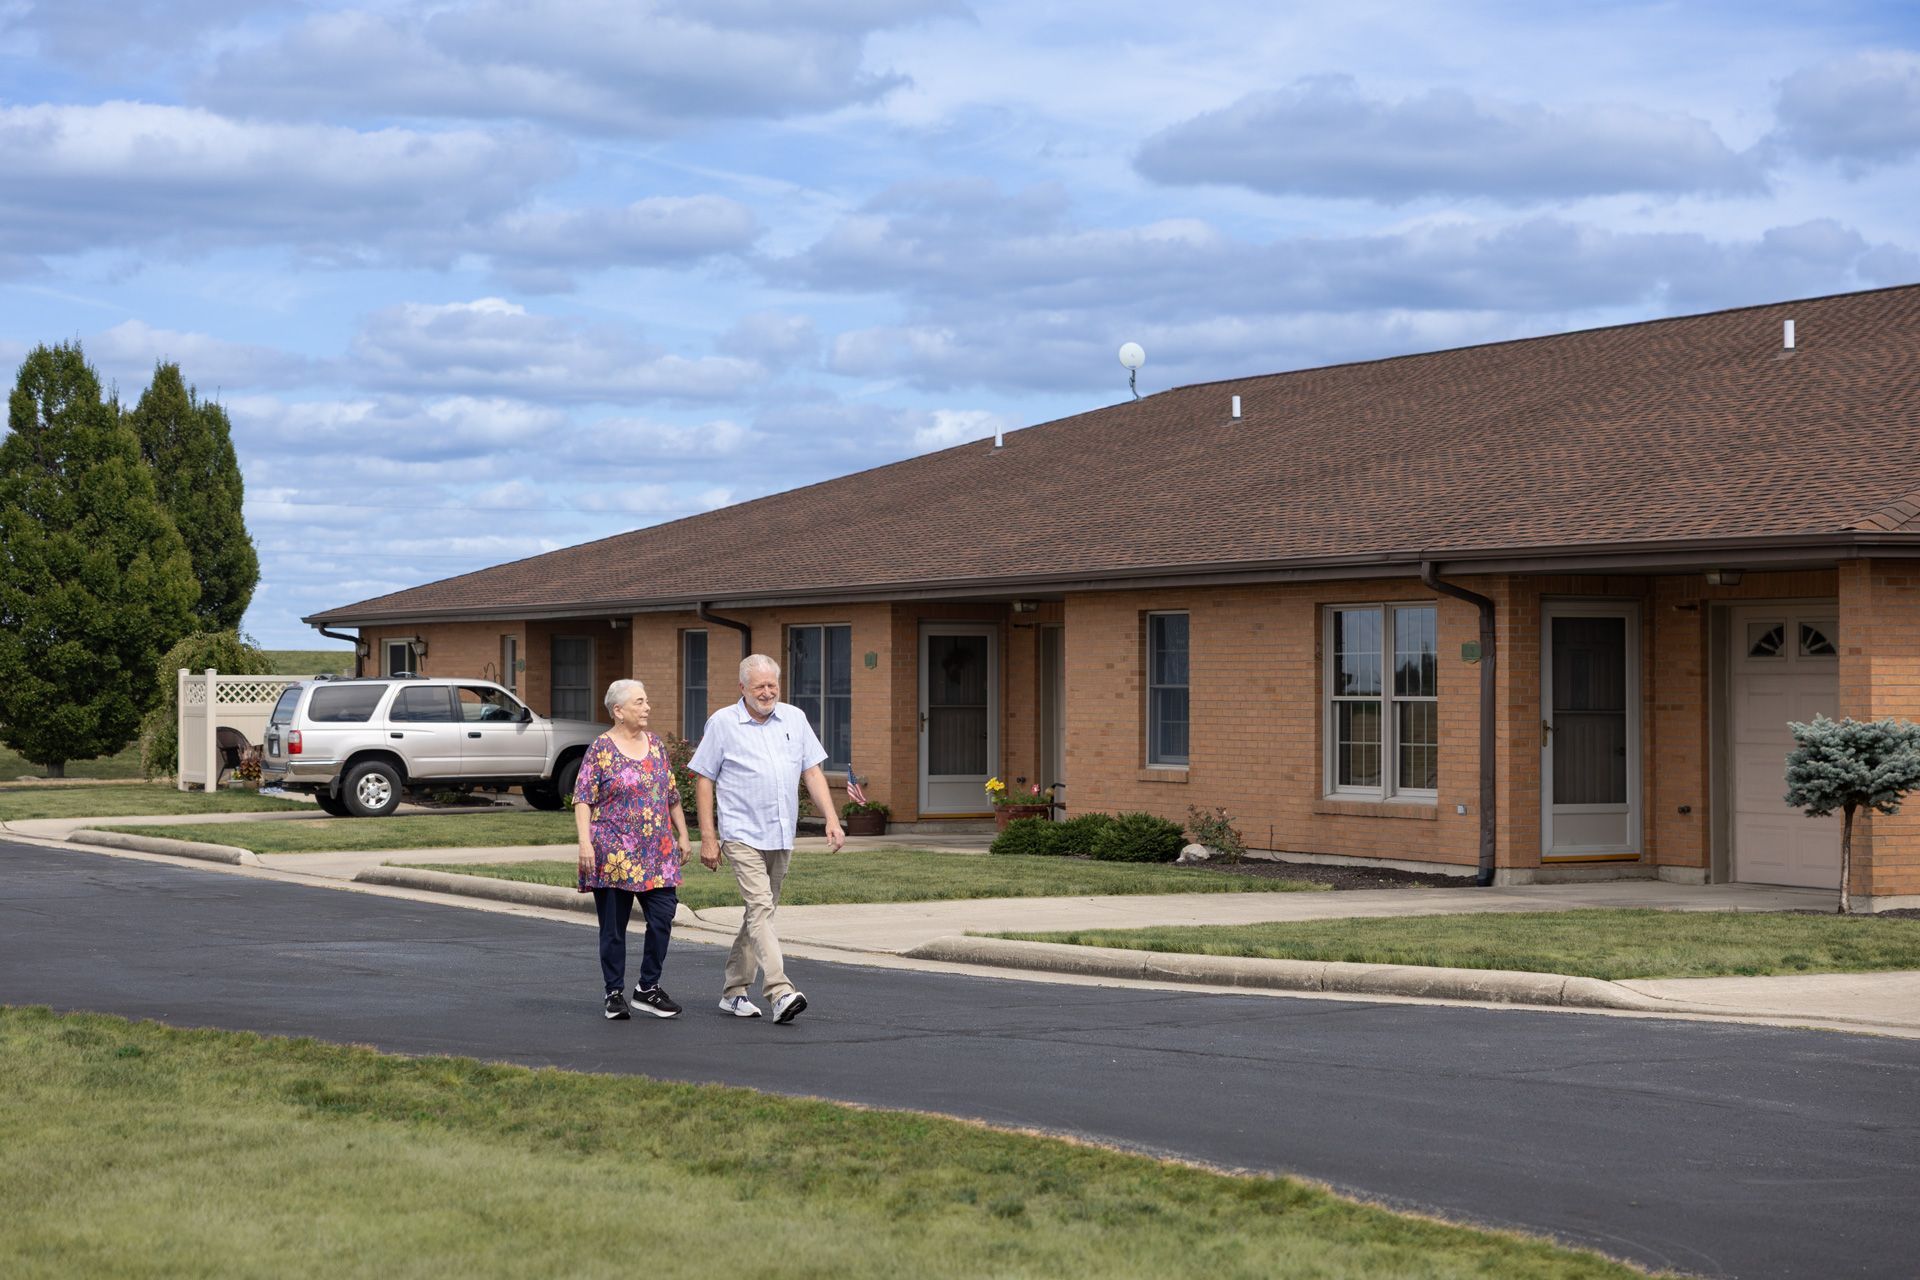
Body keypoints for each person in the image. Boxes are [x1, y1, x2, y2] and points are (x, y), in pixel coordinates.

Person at [689, 653, 845, 1024]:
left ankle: (733, 991)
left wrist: (832, 819)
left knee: (759, 914)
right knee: (761, 909)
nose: (767, 692)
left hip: (780, 831)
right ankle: (780, 991)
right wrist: (708, 838)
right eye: (759, 686)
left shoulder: (795, 718)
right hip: (741, 833)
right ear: (742, 688)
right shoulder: (723, 723)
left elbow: (812, 772)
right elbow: (704, 780)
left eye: (772, 685)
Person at [574, 678, 691, 1020]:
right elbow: (583, 798)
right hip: (613, 851)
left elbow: (670, 795)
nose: (647, 707)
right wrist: (584, 842)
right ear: (618, 711)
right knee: (614, 926)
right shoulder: (601, 749)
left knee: (663, 916)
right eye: (639, 702)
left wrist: (683, 834)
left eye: (646, 701)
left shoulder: (655, 745)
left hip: (657, 851)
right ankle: (614, 993)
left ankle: (647, 988)